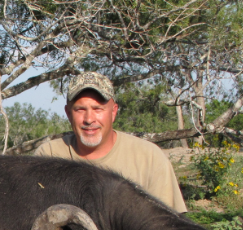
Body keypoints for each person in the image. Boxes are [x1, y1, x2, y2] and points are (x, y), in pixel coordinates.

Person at [34, 72, 187, 213]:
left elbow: (171, 229)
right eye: (80, 109)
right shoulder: (48, 156)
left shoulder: (150, 158)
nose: (89, 119)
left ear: (113, 112)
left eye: (98, 109)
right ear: (68, 113)